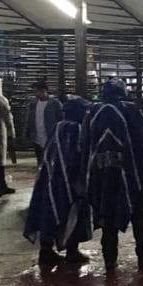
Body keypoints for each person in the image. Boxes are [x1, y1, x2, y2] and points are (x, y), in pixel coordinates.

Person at [86, 79, 143, 273]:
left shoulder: (93, 113)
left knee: (108, 216)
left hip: (103, 175)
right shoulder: (130, 111)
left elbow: (85, 146)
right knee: (139, 217)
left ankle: (110, 261)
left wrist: (90, 176)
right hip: (132, 174)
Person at [24, 97, 93, 266]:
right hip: (69, 179)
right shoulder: (76, 129)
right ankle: (71, 249)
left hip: (50, 177)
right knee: (72, 212)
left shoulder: (58, 127)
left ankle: (46, 250)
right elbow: (77, 156)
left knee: (49, 212)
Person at [24, 79, 62, 165]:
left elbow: (60, 119)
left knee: (51, 161)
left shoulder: (55, 104)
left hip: (50, 136)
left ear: (44, 91)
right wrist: (27, 132)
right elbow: (29, 119)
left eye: (37, 91)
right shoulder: (33, 104)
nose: (35, 94)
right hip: (37, 137)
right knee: (40, 161)